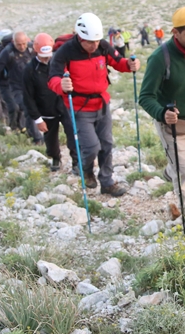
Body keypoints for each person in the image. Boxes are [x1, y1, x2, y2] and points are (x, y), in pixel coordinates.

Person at [48, 13, 140, 197]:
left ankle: (107, 182)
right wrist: (61, 86)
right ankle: (87, 171)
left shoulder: (102, 46)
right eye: (90, 42)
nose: (94, 45)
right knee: (91, 147)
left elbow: (117, 62)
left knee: (106, 144)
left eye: (97, 41)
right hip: (80, 108)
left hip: (102, 104)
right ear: (80, 37)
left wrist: (130, 64)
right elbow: (53, 78)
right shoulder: (65, 53)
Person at [139, 7, 185, 223]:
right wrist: (162, 113)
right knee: (183, 172)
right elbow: (145, 97)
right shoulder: (160, 58)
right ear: (175, 32)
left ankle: (170, 171)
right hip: (172, 125)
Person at [23, 33, 79, 172]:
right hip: (46, 109)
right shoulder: (30, 70)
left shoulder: (60, 62)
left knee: (72, 133)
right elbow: (28, 97)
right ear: (36, 51)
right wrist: (37, 118)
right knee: (50, 138)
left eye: (48, 54)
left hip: (65, 105)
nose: (47, 58)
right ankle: (55, 157)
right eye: (43, 55)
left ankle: (76, 161)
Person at [0, 31, 43, 144]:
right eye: (19, 44)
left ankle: (29, 131)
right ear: (14, 42)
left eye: (24, 43)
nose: (22, 47)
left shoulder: (32, 48)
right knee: (27, 108)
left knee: (33, 109)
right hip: (16, 87)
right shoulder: (7, 52)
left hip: (31, 85)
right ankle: (36, 138)